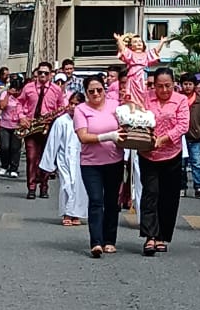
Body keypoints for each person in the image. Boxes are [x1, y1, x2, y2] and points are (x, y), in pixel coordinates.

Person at [74, 75, 127, 258]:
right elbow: (83, 136)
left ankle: (109, 240)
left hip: (114, 161)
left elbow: (126, 126)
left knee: (112, 201)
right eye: (91, 91)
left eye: (99, 90)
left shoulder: (115, 106)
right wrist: (108, 136)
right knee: (96, 200)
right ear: (86, 93)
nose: (96, 94)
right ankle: (96, 242)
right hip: (91, 164)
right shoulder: (81, 110)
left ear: (105, 89)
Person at [141, 67, 190, 255]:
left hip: (171, 154)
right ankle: (150, 236)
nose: (163, 90)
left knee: (168, 196)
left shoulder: (181, 100)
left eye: (167, 86)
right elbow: (139, 118)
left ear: (173, 84)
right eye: (159, 86)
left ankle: (162, 235)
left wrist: (162, 140)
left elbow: (183, 125)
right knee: (150, 194)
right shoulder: (146, 98)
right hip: (148, 154)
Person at [15, 61, 65, 199]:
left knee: (46, 158)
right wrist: (21, 117)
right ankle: (31, 188)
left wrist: (53, 118)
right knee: (31, 157)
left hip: (48, 127)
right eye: (40, 72)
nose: (42, 75)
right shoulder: (28, 87)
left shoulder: (56, 89)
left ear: (50, 75)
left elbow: (61, 107)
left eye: (46, 73)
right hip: (31, 126)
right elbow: (19, 102)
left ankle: (44, 186)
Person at [40, 92, 85, 227]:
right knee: (67, 185)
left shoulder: (86, 120)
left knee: (79, 185)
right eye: (71, 103)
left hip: (81, 158)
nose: (72, 107)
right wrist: (49, 164)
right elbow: (53, 142)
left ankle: (76, 213)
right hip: (64, 158)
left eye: (76, 104)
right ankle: (67, 212)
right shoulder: (61, 121)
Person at [180, 73, 200, 198]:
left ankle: (198, 186)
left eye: (190, 84)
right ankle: (182, 187)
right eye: (185, 84)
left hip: (196, 137)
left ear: (194, 85)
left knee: (196, 162)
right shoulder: (178, 98)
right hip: (180, 137)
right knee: (181, 164)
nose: (187, 87)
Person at [114, 33, 161, 109]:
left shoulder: (146, 54)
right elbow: (123, 49)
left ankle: (141, 105)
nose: (138, 43)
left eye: (140, 41)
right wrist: (119, 40)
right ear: (131, 46)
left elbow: (155, 51)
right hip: (133, 75)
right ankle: (132, 106)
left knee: (142, 90)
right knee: (132, 92)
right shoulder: (131, 54)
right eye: (135, 42)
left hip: (142, 75)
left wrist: (161, 42)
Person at [0, 73, 25, 178]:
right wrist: (8, 95)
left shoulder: (23, 96)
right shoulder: (5, 94)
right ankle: (4, 165)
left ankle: (14, 168)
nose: (16, 91)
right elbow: (2, 106)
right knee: (4, 147)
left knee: (15, 147)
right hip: (5, 124)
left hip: (17, 125)